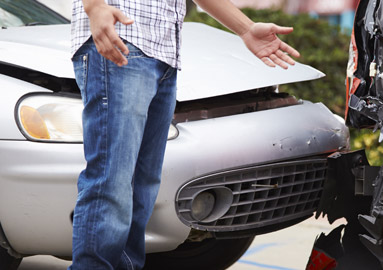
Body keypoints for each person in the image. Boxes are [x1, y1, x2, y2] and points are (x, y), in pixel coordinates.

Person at [69, 0, 300, 269]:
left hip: (163, 55)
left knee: (142, 189)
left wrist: (246, 29)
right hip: (121, 38)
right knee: (111, 181)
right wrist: (95, 6)